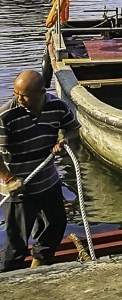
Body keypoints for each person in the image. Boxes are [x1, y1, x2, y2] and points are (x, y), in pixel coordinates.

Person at [0, 70, 80, 270]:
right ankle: (7, 276)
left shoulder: (57, 107)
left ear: (42, 92)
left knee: (55, 225)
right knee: (16, 242)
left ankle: (38, 266)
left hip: (48, 181)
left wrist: (64, 140)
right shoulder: (6, 116)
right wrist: (8, 179)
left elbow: (73, 129)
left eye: (25, 95)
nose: (19, 99)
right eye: (16, 94)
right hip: (19, 186)